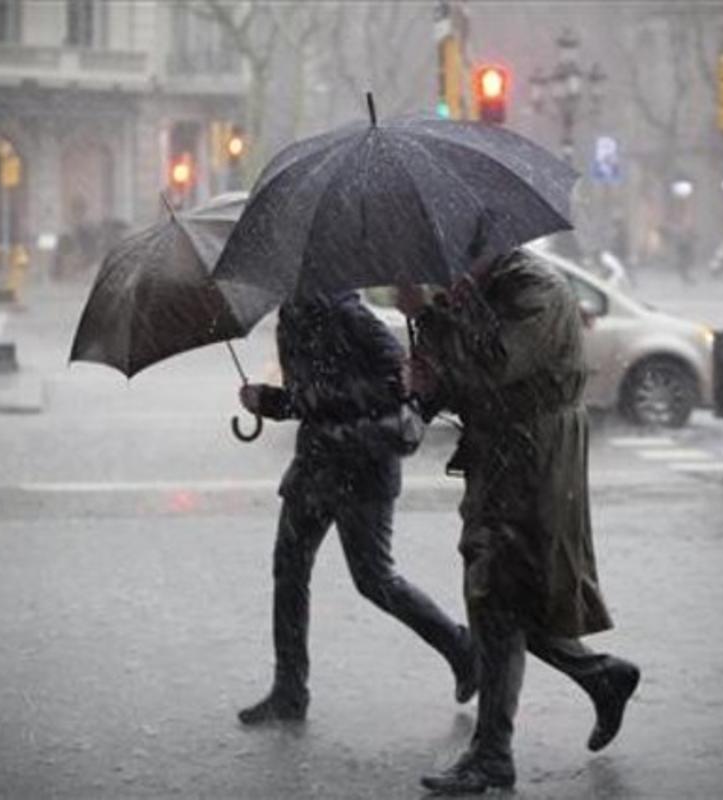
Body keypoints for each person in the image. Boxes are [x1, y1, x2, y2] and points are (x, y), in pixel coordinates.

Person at [397, 248, 640, 794]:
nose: (449, 263)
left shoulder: (537, 289)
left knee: (498, 594)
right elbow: (466, 379)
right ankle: (600, 677)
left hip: (534, 458)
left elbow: (495, 364)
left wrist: (434, 316)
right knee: (504, 595)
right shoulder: (483, 288)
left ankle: (493, 755)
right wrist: (423, 384)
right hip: (501, 455)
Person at [236, 290, 477, 725]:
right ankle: (290, 690)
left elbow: (398, 386)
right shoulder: (291, 316)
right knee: (288, 570)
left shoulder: (351, 314)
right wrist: (267, 401)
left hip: (362, 468)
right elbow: (302, 400)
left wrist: (329, 398)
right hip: (313, 467)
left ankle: (462, 650)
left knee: (374, 579)